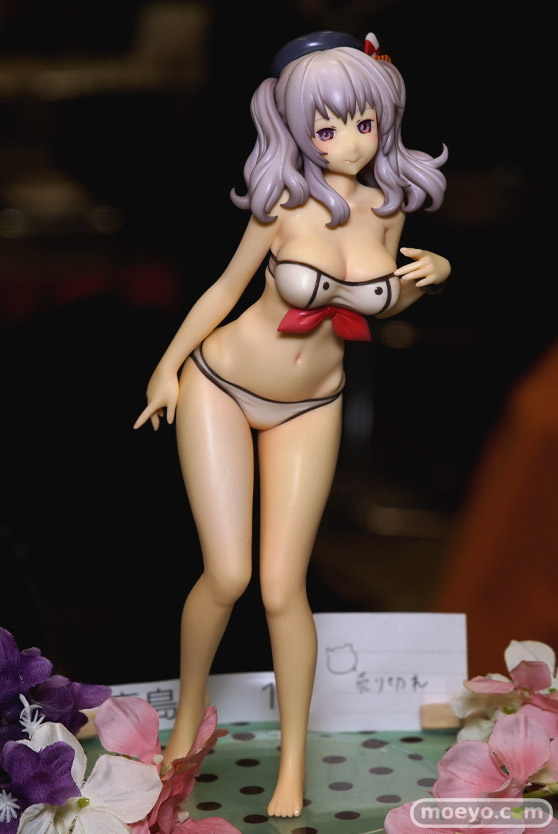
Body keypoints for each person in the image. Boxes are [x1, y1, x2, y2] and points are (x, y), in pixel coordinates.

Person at [134, 30, 450, 818]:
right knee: (229, 574)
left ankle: (293, 764)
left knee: (284, 587)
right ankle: (188, 715)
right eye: (327, 126)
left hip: (314, 402)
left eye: (364, 123)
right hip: (222, 384)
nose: (350, 141)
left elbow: (383, 303)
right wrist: (167, 367)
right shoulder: (282, 206)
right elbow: (224, 289)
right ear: (297, 128)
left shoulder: (386, 209)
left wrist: (428, 278)